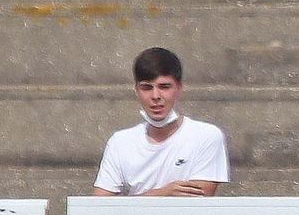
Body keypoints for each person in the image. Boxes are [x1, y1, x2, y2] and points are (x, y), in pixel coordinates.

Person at [93, 47, 229, 197]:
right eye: (147, 88)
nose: (155, 96)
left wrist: (136, 202)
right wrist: (164, 193)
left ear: (179, 89)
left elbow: (196, 199)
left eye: (164, 87)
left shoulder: (206, 136)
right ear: (137, 91)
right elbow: (99, 206)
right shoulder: (120, 142)